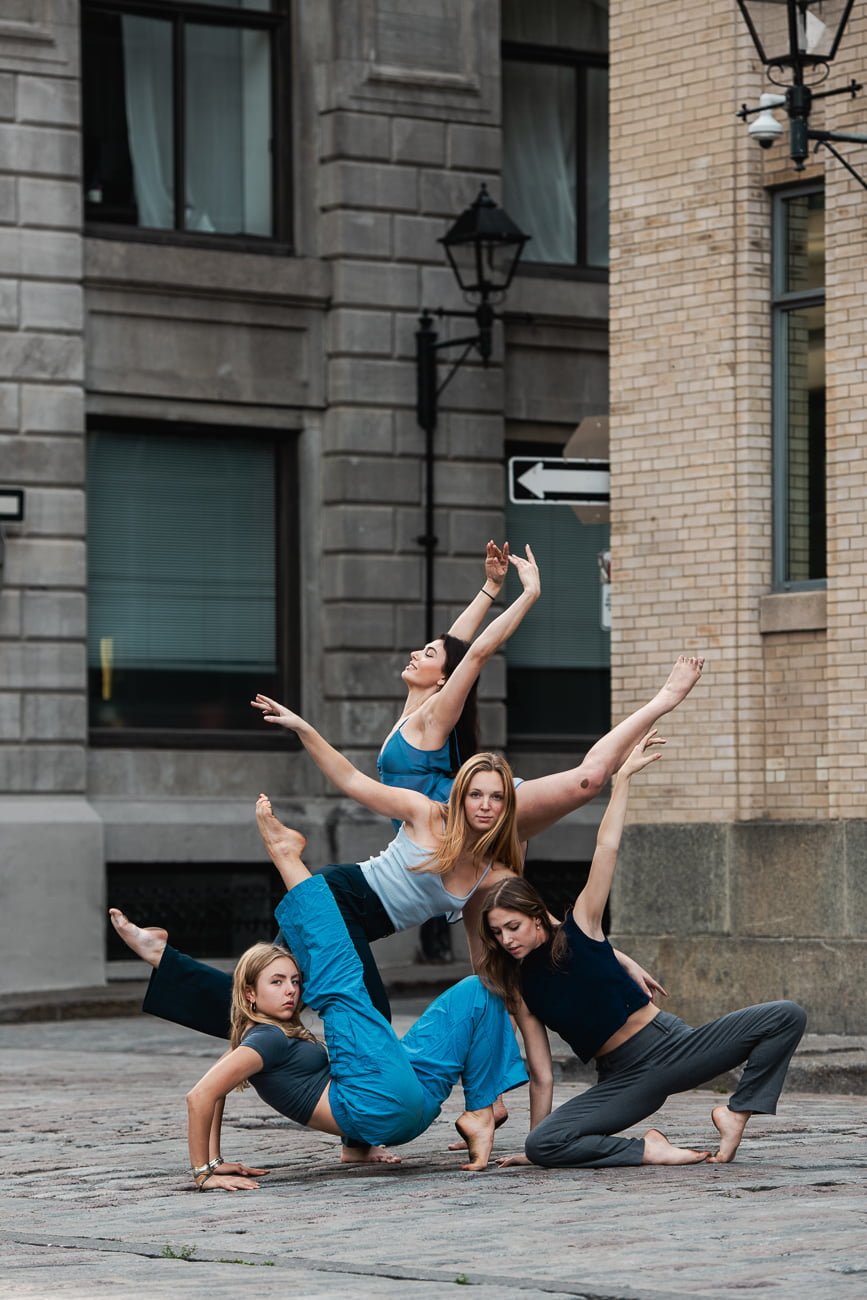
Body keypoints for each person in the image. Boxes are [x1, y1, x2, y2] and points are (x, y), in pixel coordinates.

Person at [477, 731, 808, 1169]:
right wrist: (536, 1146)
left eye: (513, 927)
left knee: (786, 1016)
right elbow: (542, 1073)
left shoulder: (581, 930)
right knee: (544, 1147)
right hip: (621, 1079)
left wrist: (625, 780)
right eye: (498, 934)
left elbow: (606, 848)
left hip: (671, 1050)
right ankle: (648, 1150)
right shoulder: (521, 986)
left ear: (537, 917)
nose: (507, 940)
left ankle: (736, 1112)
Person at [180, 795, 529, 1190]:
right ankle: (286, 856)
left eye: (295, 981)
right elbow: (200, 1096)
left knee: (478, 991)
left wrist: (216, 1158)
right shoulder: (266, 1038)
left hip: (411, 1101)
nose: (292, 990)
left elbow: (216, 1092)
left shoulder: (259, 1041)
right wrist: (204, 1173)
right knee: (342, 985)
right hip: (372, 1107)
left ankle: (480, 1114)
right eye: (276, 983)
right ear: (249, 996)